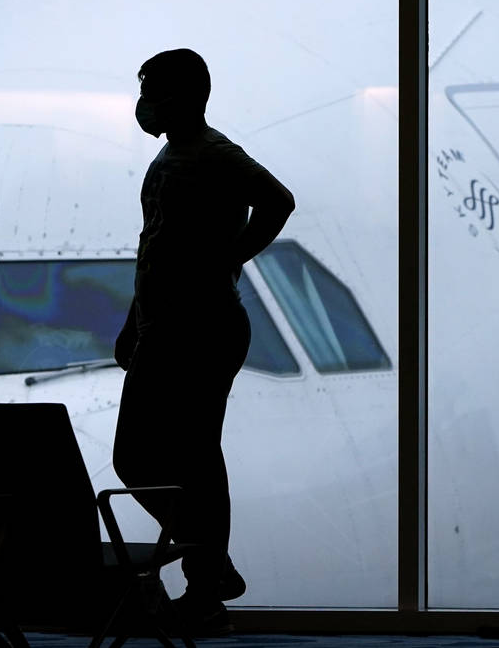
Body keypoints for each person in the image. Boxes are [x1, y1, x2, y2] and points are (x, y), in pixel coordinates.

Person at [111, 48, 295, 635]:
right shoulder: (173, 154)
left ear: (186, 96)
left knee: (161, 459)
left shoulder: (215, 154)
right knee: (172, 460)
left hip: (199, 331)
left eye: (154, 91)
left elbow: (278, 201)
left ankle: (207, 574)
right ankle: (209, 571)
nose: (144, 103)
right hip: (166, 328)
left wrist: (229, 259)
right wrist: (133, 320)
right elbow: (157, 246)